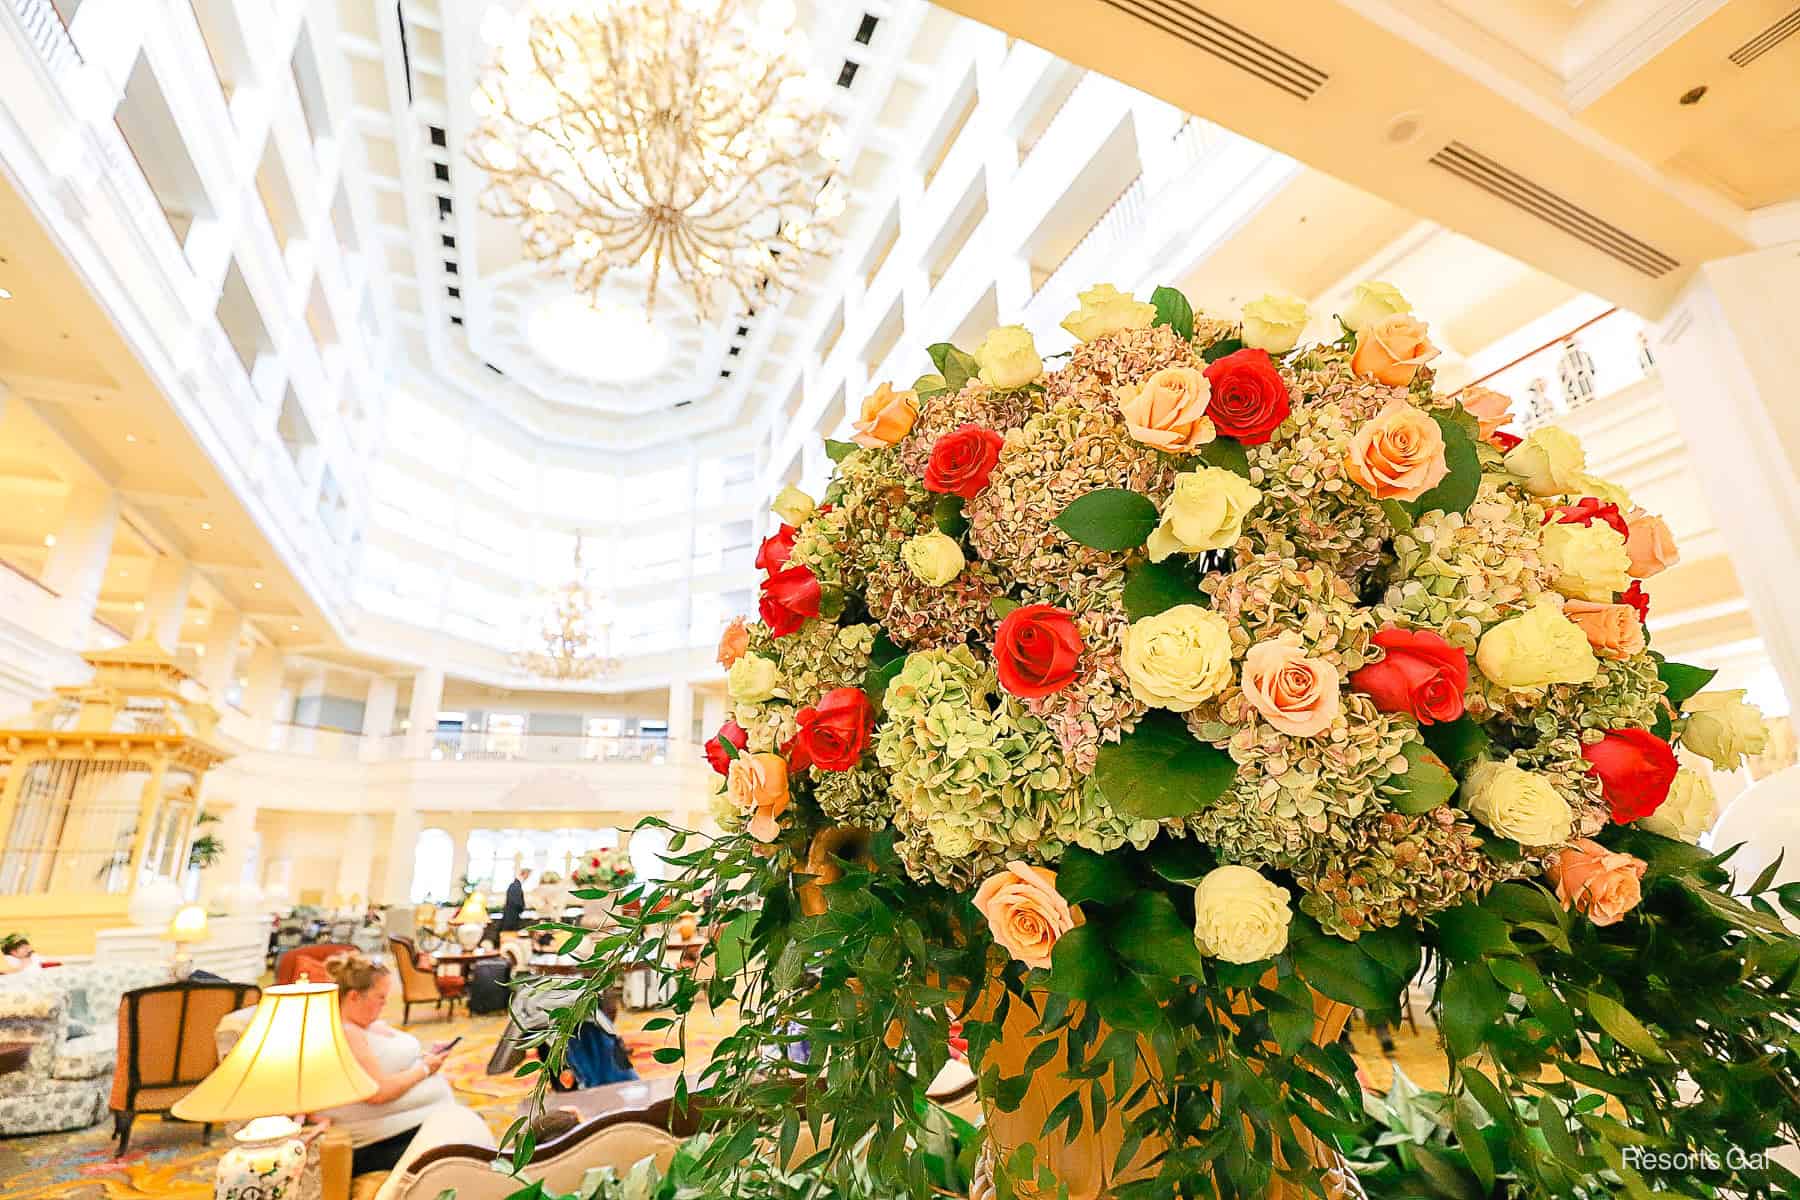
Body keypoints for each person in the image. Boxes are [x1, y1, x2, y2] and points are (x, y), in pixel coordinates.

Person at [317, 951, 469, 1174]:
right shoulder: (347, 1033)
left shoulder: (363, 1024)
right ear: (353, 997)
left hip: (403, 1127)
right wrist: (426, 1068)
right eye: (380, 998)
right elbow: (378, 1091)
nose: (385, 1004)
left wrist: (424, 1059)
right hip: (379, 1142)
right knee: (466, 1145)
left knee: (468, 1131)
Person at [501, 868, 530, 932]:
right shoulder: (515, 885)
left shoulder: (516, 885)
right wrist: (522, 907)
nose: (528, 878)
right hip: (511, 916)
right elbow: (516, 902)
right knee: (508, 934)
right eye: (528, 876)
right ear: (525, 874)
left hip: (511, 915)